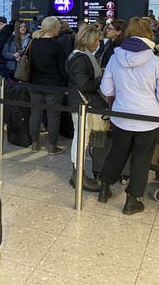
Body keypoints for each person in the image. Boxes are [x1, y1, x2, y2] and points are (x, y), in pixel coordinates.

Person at [98, 17, 159, 214]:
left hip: (121, 114)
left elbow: (106, 89)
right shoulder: (157, 62)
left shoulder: (115, 58)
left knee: (117, 152)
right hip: (148, 119)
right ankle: (132, 201)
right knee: (141, 159)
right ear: (149, 34)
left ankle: (104, 189)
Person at [66, 24, 107, 192]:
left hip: (79, 103)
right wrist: (101, 79)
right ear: (89, 39)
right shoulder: (81, 58)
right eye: (97, 40)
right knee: (81, 140)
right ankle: (78, 176)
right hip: (82, 103)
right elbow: (83, 84)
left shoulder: (79, 56)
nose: (98, 43)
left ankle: (78, 175)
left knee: (81, 139)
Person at [28, 17, 68, 155]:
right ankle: (52, 146)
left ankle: (34, 144)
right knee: (53, 116)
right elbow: (62, 68)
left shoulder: (33, 43)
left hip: (34, 83)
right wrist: (66, 83)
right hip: (53, 86)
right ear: (54, 28)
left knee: (35, 114)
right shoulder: (56, 45)